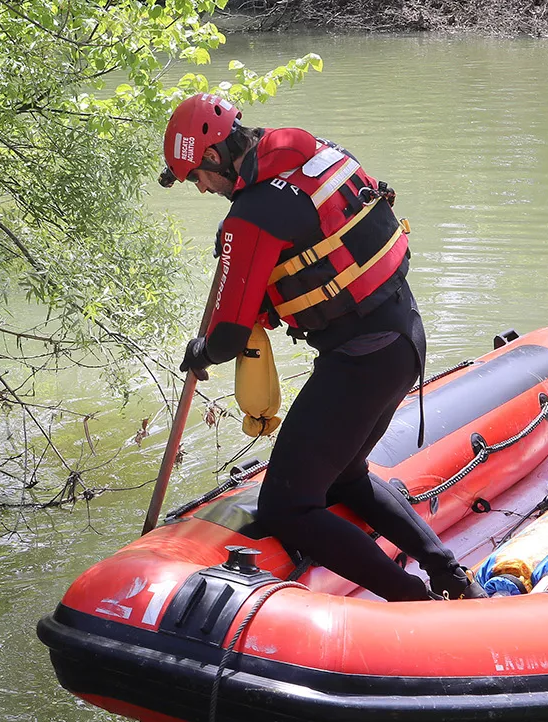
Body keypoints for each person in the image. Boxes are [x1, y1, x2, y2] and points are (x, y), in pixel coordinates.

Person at [160, 93, 484, 601]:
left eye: (196, 176)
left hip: (363, 359)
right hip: (404, 337)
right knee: (347, 476)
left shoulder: (251, 215)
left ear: (216, 156)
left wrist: (200, 352)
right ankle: (448, 573)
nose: (200, 188)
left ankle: (414, 601)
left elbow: (225, 338)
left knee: (288, 509)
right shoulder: (310, 151)